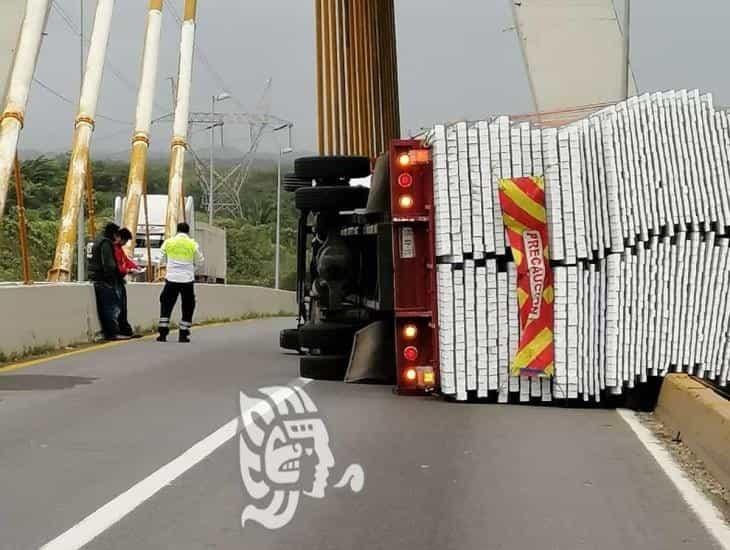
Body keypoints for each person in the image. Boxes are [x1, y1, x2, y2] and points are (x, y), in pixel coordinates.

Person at [157, 222, 204, 343]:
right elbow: (200, 261)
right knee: (188, 305)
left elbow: (160, 259)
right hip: (187, 280)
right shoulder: (192, 244)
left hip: (171, 279)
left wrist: (168, 267)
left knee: (166, 303)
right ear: (188, 232)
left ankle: (162, 333)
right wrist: (191, 270)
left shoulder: (169, 242)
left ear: (177, 230)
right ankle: (183, 334)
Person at [88, 222, 129, 341]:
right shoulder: (106, 243)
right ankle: (112, 333)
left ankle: (109, 333)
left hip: (95, 278)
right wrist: (114, 277)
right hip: (105, 280)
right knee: (110, 309)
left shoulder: (95, 241)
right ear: (114, 234)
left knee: (104, 308)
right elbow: (109, 265)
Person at [113, 228, 144, 338]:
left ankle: (125, 330)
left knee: (122, 306)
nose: (125, 243)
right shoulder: (114, 249)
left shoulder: (119, 249)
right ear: (119, 237)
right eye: (125, 240)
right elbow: (118, 266)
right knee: (119, 306)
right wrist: (129, 270)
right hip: (116, 280)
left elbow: (126, 260)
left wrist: (136, 267)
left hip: (120, 280)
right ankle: (122, 330)